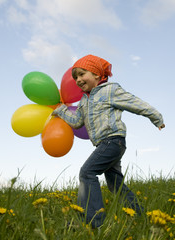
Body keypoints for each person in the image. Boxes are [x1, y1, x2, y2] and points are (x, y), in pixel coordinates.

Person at [52, 54, 165, 228]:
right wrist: (61, 111)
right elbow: (77, 122)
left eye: (82, 74)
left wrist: (156, 118)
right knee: (115, 185)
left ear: (97, 74)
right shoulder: (84, 101)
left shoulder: (110, 90)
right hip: (104, 144)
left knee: (87, 173)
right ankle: (140, 216)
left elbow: (135, 103)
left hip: (113, 141)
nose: (78, 80)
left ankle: (92, 222)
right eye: (75, 77)